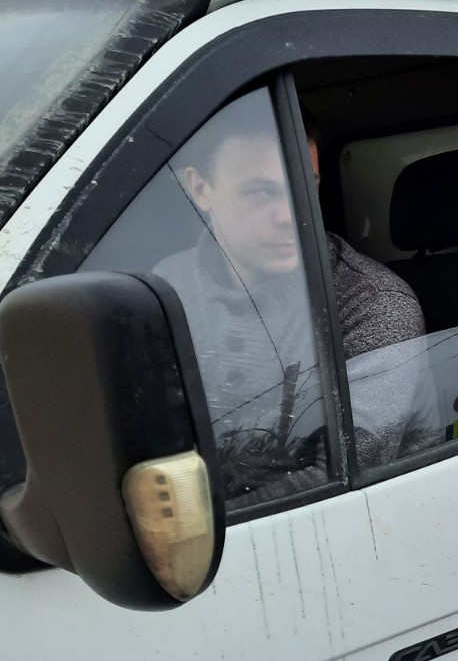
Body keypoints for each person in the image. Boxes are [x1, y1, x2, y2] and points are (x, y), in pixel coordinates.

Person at [153, 91, 437, 501]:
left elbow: (334, 482)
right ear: (200, 189)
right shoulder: (168, 286)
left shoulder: (373, 304)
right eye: (261, 192)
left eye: (307, 185)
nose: (291, 214)